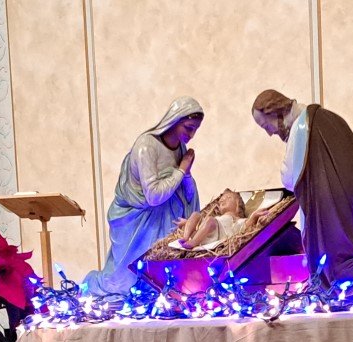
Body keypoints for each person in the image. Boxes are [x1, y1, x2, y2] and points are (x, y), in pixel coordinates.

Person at [251, 89, 353, 288]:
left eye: (267, 125)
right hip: (352, 210)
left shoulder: (302, 128)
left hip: (329, 213)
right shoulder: (328, 119)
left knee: (334, 264)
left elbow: (290, 177)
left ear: (275, 112)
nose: (270, 132)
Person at [83, 96, 203, 296]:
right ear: (175, 120)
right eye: (189, 127)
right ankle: (93, 286)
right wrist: (181, 170)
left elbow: (181, 188)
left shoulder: (179, 147)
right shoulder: (146, 146)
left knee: (158, 276)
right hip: (136, 221)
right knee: (121, 281)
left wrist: (187, 174)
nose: (192, 134)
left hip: (163, 220)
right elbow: (153, 196)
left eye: (195, 129)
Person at [178, 189, 273, 250]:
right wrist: (187, 223)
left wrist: (254, 216)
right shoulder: (218, 218)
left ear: (237, 205)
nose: (223, 200)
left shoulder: (236, 219)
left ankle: (193, 243)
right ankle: (185, 238)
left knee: (210, 221)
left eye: (228, 198)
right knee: (195, 215)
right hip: (203, 232)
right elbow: (200, 224)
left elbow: (246, 225)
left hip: (217, 235)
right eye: (220, 201)